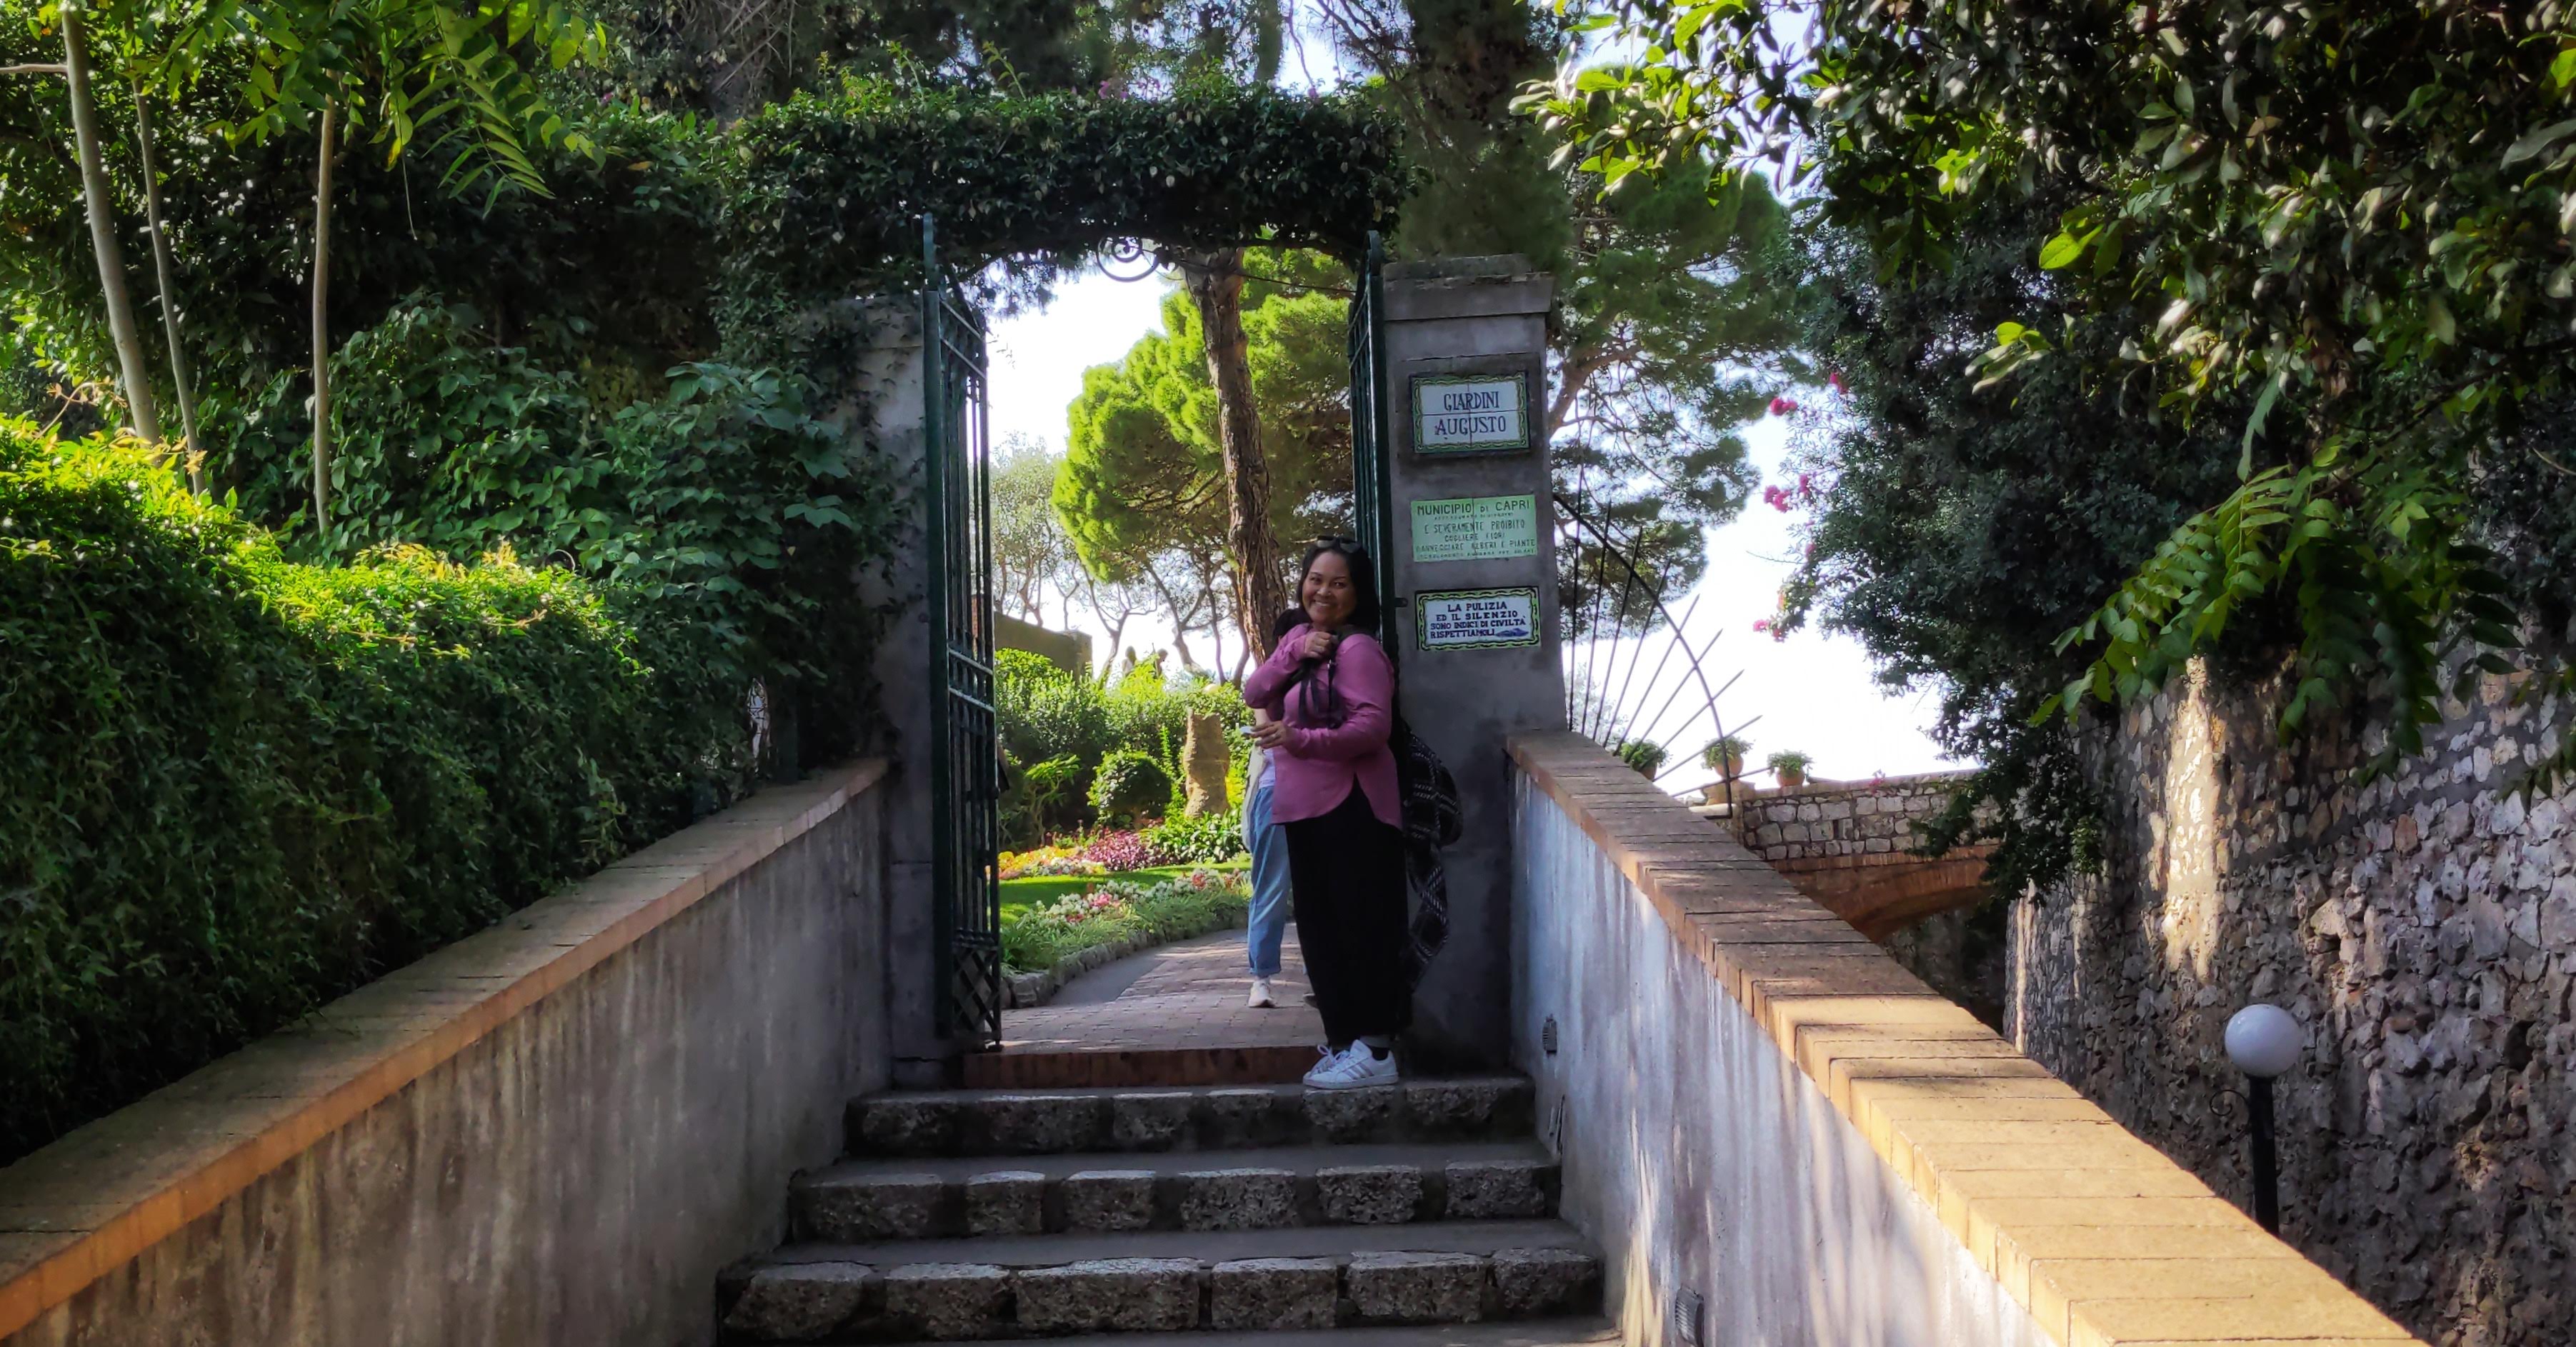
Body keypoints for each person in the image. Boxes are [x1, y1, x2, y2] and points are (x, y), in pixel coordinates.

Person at [1244, 539, 1407, 1090]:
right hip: (1301, 805)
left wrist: (1299, 738)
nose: (1324, 591)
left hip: (1353, 802)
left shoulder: (1359, 651)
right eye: (1316, 579)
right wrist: (1295, 651)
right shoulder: (1296, 641)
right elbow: (1255, 690)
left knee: (1362, 927)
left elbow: (1372, 729)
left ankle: (1377, 1052)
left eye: (1339, 583)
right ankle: (1343, 1045)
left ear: (1357, 594)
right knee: (1320, 933)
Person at [1241, 608, 1305, 1009]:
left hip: (1320, 790)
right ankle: (1260, 979)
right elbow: (1269, 735)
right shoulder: (1267, 683)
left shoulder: (1330, 673)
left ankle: (1327, 977)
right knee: (1270, 887)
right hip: (1277, 789)